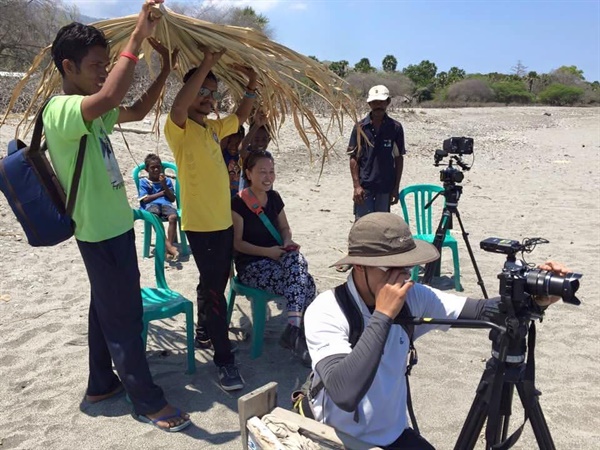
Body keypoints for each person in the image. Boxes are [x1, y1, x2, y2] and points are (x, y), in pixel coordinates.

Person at [44, 1, 190, 432]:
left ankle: (101, 384)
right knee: (124, 315)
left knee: (104, 309)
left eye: (106, 64)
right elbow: (110, 96)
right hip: (98, 233)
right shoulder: (62, 111)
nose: (102, 73)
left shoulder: (92, 111)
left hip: (116, 228)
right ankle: (147, 401)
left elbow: (137, 110)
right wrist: (137, 37)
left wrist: (164, 70)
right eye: (94, 66)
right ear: (68, 66)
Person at [304, 212, 569, 448]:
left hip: (392, 435)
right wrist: (383, 315)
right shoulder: (327, 309)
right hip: (335, 435)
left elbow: (480, 312)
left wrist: (534, 299)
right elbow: (344, 393)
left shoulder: (413, 298)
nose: (402, 278)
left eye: (406, 266)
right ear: (359, 266)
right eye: (390, 268)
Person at [165, 48, 258, 391]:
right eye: (200, 91)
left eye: (211, 93)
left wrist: (250, 83)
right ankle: (224, 360)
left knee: (213, 282)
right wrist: (206, 65)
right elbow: (178, 107)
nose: (206, 98)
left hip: (223, 223)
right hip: (201, 226)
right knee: (217, 289)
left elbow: (241, 113)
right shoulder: (179, 128)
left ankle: (204, 330)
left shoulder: (213, 129)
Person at [231, 151, 316, 367]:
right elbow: (237, 243)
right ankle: (299, 333)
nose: (268, 177)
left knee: (298, 264)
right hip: (252, 266)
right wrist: (268, 252)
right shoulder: (238, 204)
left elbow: (285, 228)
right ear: (249, 173)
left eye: (271, 171)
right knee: (306, 282)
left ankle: (294, 330)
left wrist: (287, 242)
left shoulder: (275, 198)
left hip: (278, 258)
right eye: (262, 172)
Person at [348, 85, 405, 220]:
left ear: (388, 102)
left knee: (382, 226)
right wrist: (356, 186)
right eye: (374, 102)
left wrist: (396, 187)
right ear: (369, 103)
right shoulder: (360, 128)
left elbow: (398, 158)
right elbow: (354, 157)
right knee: (363, 226)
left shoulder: (395, 127)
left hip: (385, 186)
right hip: (365, 186)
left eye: (381, 102)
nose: (377, 105)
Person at [138, 153, 179, 260]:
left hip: (166, 204)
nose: (156, 170)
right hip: (151, 205)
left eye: (158, 167)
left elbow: (172, 199)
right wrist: (161, 193)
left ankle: (168, 248)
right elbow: (145, 199)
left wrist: (164, 184)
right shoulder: (144, 182)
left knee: (173, 217)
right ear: (147, 170)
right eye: (152, 168)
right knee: (154, 217)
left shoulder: (167, 181)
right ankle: (169, 246)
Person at [238, 108, 270, 192]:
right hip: (247, 200)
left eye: (264, 139)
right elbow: (241, 150)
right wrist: (257, 125)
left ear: (269, 139)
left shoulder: (268, 156)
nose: (260, 143)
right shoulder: (249, 155)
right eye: (256, 139)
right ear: (250, 140)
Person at [221, 125, 245, 197]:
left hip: (239, 195)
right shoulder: (223, 154)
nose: (233, 147)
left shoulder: (243, 155)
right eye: (230, 143)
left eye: (237, 143)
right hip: (225, 194)